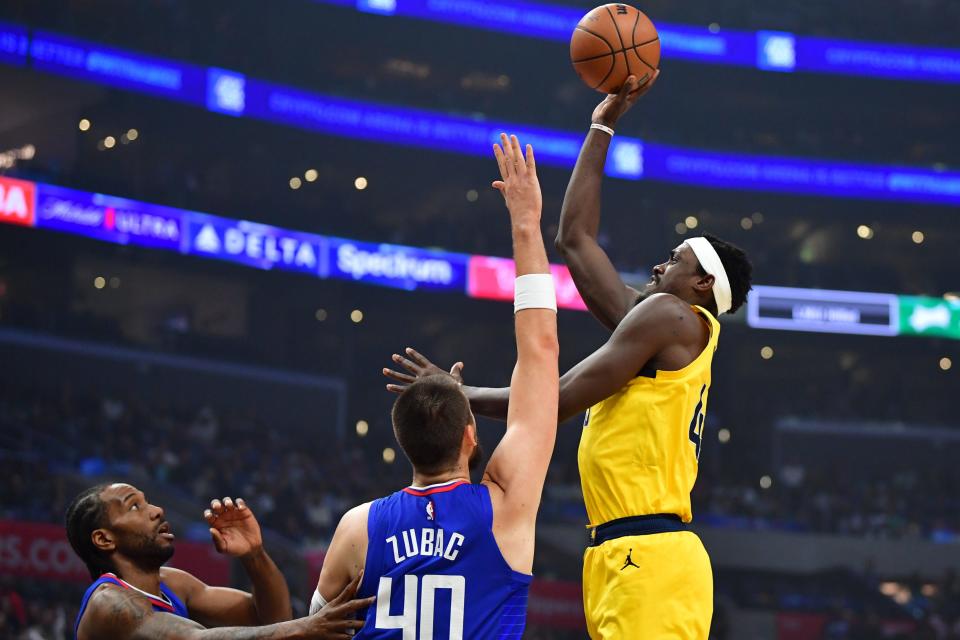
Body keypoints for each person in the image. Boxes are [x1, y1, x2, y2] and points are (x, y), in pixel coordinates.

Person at [384, 75, 754, 639]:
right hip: (623, 551)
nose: (657, 268)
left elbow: (550, 402)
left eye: (672, 261)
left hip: (647, 551)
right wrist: (603, 124)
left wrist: (459, 397)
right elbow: (575, 240)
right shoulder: (666, 326)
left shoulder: (672, 318)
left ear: (702, 284)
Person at [314, 133, 559, 638]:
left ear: (401, 440)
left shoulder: (358, 529)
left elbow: (311, 630)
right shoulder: (504, 507)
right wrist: (525, 223)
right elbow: (540, 352)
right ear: (471, 436)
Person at [66, 482, 373, 639]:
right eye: (134, 507)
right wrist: (304, 629)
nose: (157, 510)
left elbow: (272, 616)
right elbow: (192, 639)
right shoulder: (107, 604)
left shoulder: (174, 583)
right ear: (104, 539)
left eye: (148, 501)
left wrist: (254, 555)